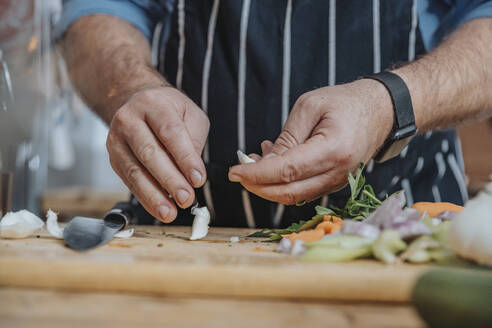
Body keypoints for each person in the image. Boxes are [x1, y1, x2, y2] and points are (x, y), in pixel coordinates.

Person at [56, 0, 492, 228]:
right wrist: (132, 86)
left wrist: (389, 103)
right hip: (178, 243)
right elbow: (96, 12)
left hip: (405, 236)